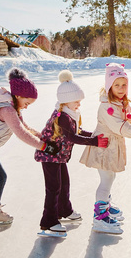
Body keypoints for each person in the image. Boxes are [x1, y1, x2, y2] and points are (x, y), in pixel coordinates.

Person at [0, 68, 59, 234]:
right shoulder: (7, 110)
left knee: (1, 177)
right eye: (27, 103)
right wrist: (45, 147)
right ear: (18, 96)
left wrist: (44, 137)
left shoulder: (14, 109)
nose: (27, 107)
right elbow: (21, 133)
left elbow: (26, 128)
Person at [34, 70, 109, 237]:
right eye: (77, 101)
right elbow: (72, 137)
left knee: (64, 184)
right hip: (49, 156)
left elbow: (78, 131)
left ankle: (64, 210)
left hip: (58, 156)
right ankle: (49, 221)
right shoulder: (62, 117)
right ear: (67, 101)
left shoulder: (70, 114)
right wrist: (95, 142)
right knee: (53, 188)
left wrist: (93, 135)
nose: (79, 104)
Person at [80, 63, 131, 234]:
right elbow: (120, 127)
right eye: (117, 85)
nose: (121, 89)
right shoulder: (107, 106)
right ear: (109, 86)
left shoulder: (120, 102)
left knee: (110, 176)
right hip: (104, 146)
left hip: (111, 145)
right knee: (106, 180)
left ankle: (105, 203)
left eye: (124, 85)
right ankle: (99, 217)